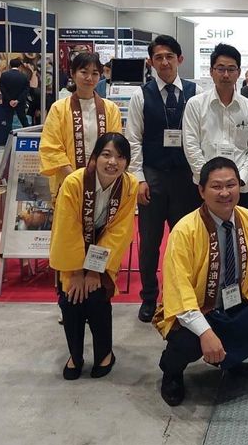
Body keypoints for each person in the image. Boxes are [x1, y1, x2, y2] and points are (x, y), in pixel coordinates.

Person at [156, 157, 248, 406]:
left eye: (231, 185)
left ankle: (231, 360)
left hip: (235, 302)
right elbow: (179, 291)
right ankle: (171, 372)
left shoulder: (247, 218)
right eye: (216, 186)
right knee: (188, 341)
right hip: (199, 309)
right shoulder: (185, 230)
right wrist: (205, 333)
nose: (225, 193)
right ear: (201, 191)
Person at [49, 132, 139, 380]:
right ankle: (75, 356)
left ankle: (104, 354)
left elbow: (119, 231)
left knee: (98, 296)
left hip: (102, 250)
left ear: (127, 162)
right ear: (94, 157)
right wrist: (78, 272)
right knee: (71, 296)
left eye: (120, 157)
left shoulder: (129, 185)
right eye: (106, 155)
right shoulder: (74, 183)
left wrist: (95, 270)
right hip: (72, 249)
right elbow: (67, 229)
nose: (113, 162)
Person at [125, 34, 202, 323]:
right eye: (159, 57)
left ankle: (182, 297)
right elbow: (133, 139)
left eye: (170, 56)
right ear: (151, 62)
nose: (165, 62)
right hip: (153, 177)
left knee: (187, 242)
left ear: (180, 59)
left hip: (187, 178)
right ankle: (149, 297)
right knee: (149, 242)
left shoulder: (195, 93)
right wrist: (139, 178)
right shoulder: (140, 95)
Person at [183, 43, 248, 211]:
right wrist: (209, 181)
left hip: (241, 188)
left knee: (239, 228)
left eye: (231, 69)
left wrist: (240, 179)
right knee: (202, 228)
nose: (226, 74)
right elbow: (191, 146)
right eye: (220, 69)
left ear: (238, 73)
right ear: (211, 71)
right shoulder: (195, 105)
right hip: (204, 190)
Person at [40, 52, 123, 200]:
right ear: (73, 74)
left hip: (103, 182)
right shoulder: (59, 108)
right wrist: (75, 180)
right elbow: (51, 148)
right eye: (84, 72)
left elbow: (116, 147)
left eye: (95, 73)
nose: (89, 78)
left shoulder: (111, 109)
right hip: (68, 182)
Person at [0, 57, 30, 129]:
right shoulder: (24, 76)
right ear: (19, 66)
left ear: (10, 65)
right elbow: (26, 90)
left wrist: (10, 100)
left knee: (8, 121)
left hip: (7, 102)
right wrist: (18, 100)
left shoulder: (4, 75)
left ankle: (8, 135)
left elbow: (2, 89)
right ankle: (28, 134)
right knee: (23, 120)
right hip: (20, 103)